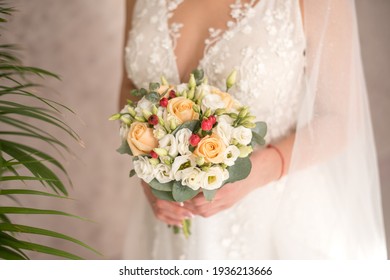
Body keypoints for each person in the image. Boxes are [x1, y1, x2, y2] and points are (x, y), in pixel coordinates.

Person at [119, 0, 387, 259]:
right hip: (169, 221)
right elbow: (130, 85)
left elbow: (340, 119)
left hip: (275, 215)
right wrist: (151, 169)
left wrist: (259, 171)